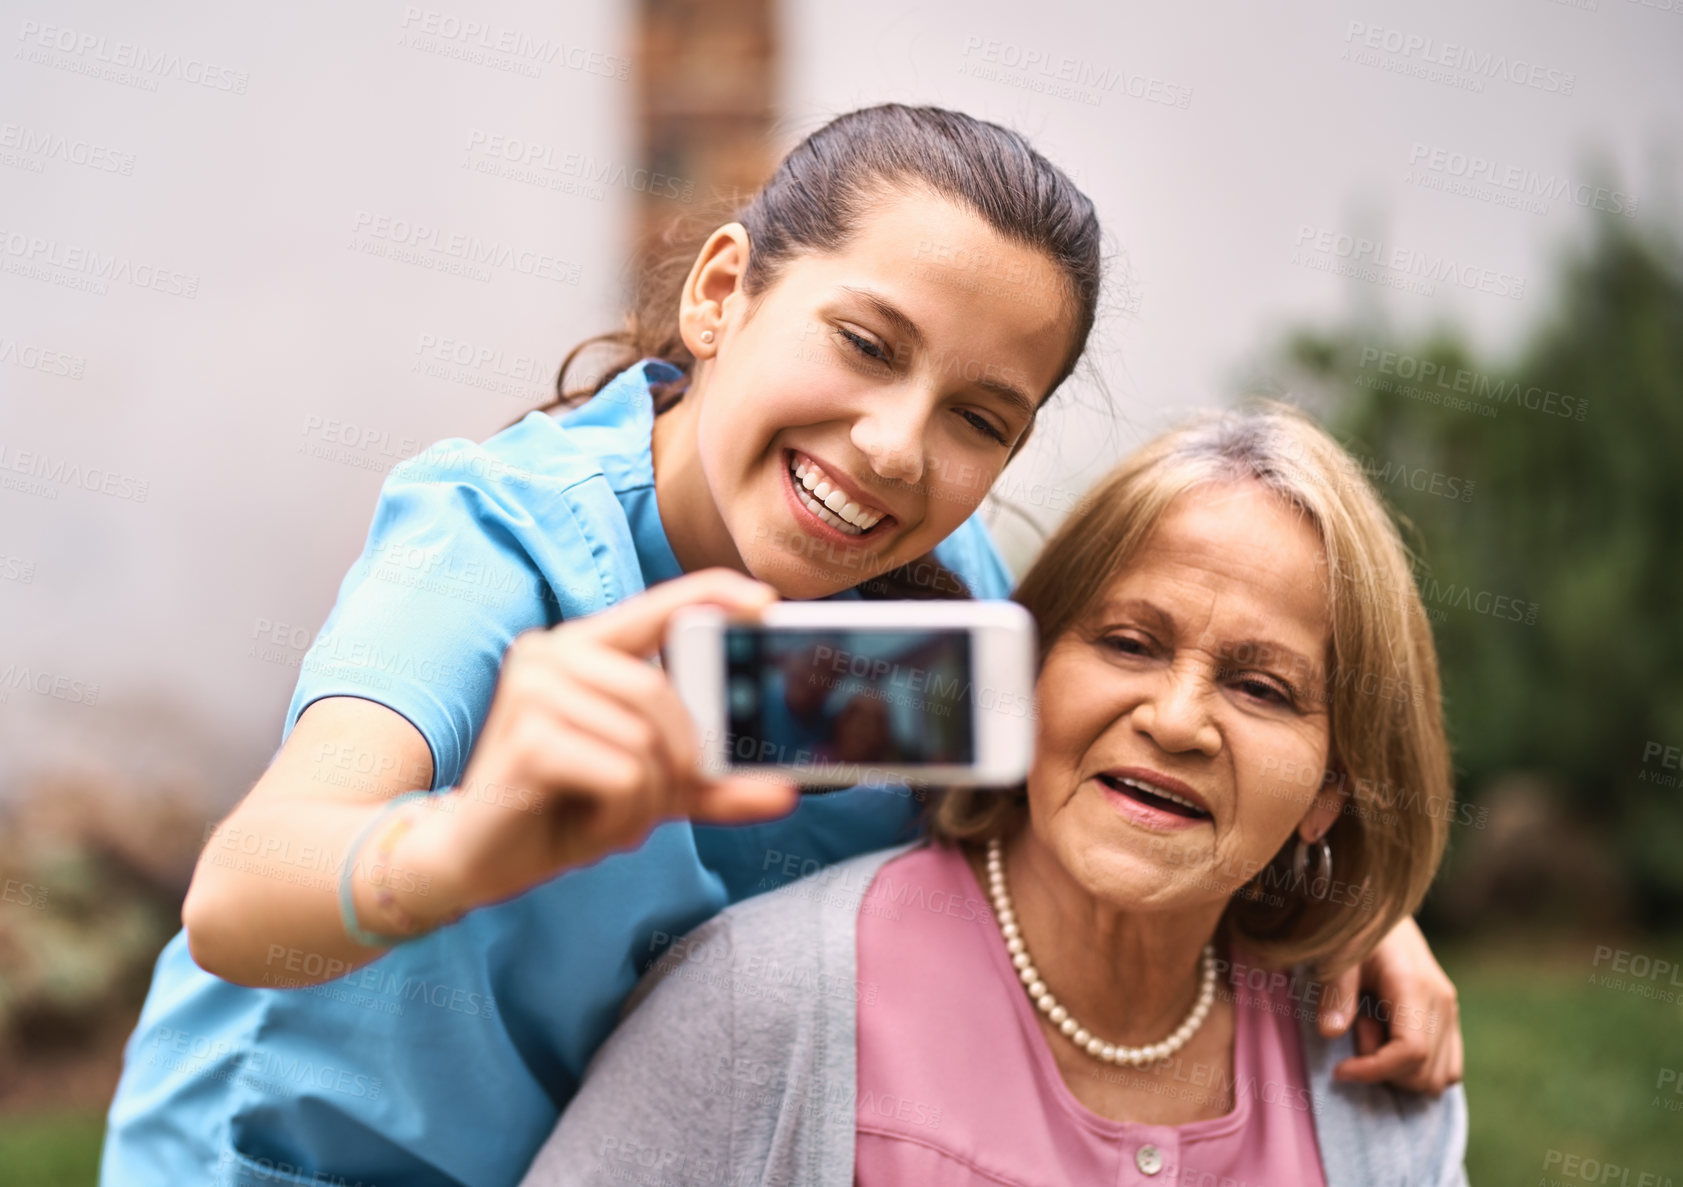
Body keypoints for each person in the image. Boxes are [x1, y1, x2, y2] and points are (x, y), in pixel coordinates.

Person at [101, 106, 1458, 1186]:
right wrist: (466, 846)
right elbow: (239, 897)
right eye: (865, 344)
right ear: (722, 291)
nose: (890, 445)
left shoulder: (930, 592)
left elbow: (1118, 746)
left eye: (977, 417)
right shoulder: (493, 552)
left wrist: (1342, 901)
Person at [520, 405, 1468, 1187]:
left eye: (1262, 689)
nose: (1178, 720)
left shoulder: (1370, 1069)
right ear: (1025, 674)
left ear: (1328, 790)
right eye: (1129, 643)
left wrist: (1367, 909)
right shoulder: (760, 999)